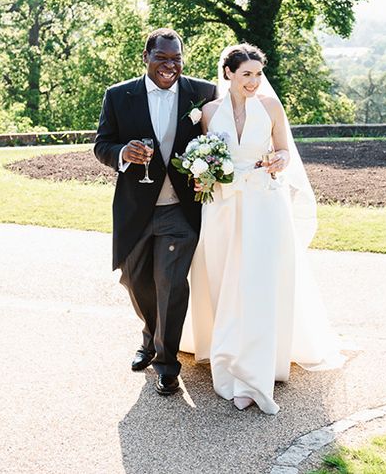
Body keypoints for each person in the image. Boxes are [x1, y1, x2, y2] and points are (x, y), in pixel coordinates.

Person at [181, 43, 344, 414]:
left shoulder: (271, 107)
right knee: (225, 281)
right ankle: (227, 352)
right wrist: (201, 174)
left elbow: (285, 151)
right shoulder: (208, 112)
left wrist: (278, 160)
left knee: (257, 282)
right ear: (228, 74)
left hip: (263, 205)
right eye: (246, 74)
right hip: (221, 206)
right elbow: (206, 153)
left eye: (257, 73)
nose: (254, 81)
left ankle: (256, 370)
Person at [94, 28, 217, 396]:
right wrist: (121, 154)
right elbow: (102, 144)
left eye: (176, 59)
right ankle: (150, 336)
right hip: (135, 209)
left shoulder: (203, 93)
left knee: (171, 284)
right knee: (136, 281)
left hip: (181, 210)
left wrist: (210, 171)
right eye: (161, 58)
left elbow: (219, 141)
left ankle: (166, 364)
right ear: (145, 57)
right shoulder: (118, 96)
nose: (170, 66)